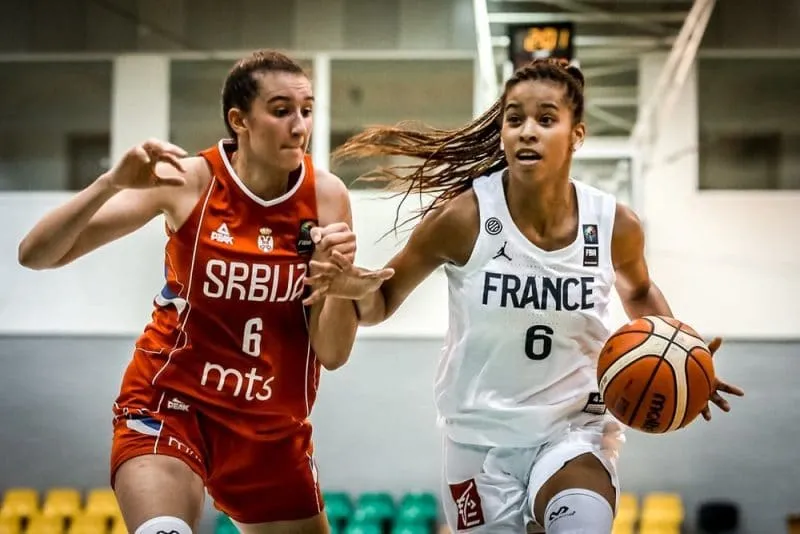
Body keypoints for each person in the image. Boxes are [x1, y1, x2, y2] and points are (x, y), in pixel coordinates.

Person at [304, 58, 744, 533]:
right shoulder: (464, 219)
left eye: (545, 119)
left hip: (574, 428)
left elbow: (638, 290)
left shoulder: (614, 224)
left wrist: (683, 360)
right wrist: (351, 290)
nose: (526, 131)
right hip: (480, 439)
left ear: (577, 134)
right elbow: (382, 301)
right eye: (514, 119)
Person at [17, 50, 382, 534]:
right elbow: (35, 253)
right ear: (240, 120)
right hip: (172, 404)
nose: (300, 126)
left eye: (306, 110)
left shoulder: (327, 196)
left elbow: (332, 354)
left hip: (269, 426)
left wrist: (337, 283)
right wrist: (109, 182)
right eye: (281, 110)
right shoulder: (191, 181)